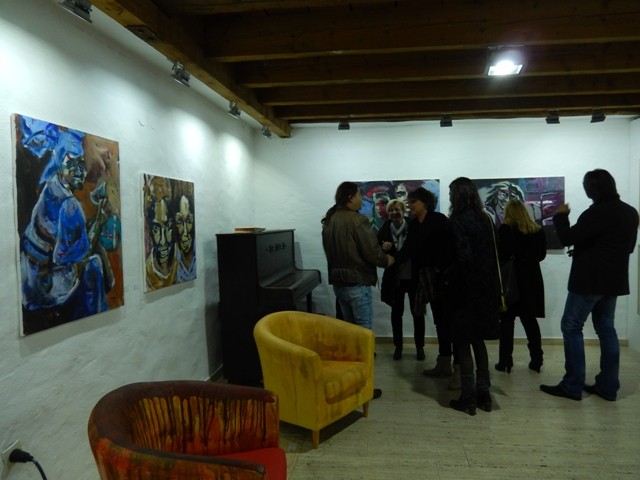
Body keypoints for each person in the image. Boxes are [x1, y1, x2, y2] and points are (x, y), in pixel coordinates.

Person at [540, 169, 638, 402]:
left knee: (571, 327)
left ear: (591, 189)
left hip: (589, 282)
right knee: (607, 330)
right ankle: (608, 387)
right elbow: (628, 248)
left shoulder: (595, 213)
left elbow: (567, 238)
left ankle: (572, 385)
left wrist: (561, 216)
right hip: (613, 282)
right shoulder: (630, 212)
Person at [322, 181, 395, 399]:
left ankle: (351, 384)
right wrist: (386, 260)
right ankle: (364, 388)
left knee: (350, 337)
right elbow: (371, 251)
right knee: (363, 338)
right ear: (350, 198)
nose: (362, 200)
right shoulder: (357, 220)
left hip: (339, 284)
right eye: (359, 195)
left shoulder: (330, 220)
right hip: (357, 283)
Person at [442, 177, 500, 415]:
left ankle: (467, 398)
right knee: (478, 341)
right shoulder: (485, 218)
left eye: (451, 193)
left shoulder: (458, 221)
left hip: (464, 291)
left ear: (457, 195)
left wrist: (446, 276)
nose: (449, 197)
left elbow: (463, 258)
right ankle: (484, 394)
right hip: (485, 289)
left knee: (463, 342)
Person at [495, 199, 547, 374]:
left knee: (507, 321)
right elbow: (541, 255)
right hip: (531, 280)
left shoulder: (505, 229)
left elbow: (502, 255)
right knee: (530, 321)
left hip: (511, 281)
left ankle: (505, 361)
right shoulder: (537, 230)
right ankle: (537, 360)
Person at [378, 199, 422, 360]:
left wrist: (394, 257)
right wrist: (383, 248)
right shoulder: (383, 231)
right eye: (391, 210)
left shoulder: (413, 228)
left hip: (413, 277)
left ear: (403, 212)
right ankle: (398, 346)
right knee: (396, 314)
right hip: (395, 279)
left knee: (417, 313)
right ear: (388, 214)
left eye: (397, 210)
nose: (394, 213)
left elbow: (415, 249)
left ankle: (420, 347)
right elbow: (377, 252)